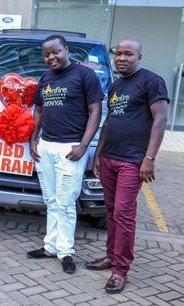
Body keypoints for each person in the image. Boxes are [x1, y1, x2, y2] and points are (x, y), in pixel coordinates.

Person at [85, 39, 168, 294]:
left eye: (128, 54)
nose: (121, 58)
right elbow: (110, 121)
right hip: (109, 158)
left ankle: (120, 270)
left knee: (123, 212)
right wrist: (98, 154)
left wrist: (150, 158)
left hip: (133, 161)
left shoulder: (151, 81)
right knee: (110, 211)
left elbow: (161, 118)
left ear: (139, 56)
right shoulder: (116, 85)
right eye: (118, 53)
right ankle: (111, 256)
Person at [27, 35, 103, 273]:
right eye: (47, 54)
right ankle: (50, 247)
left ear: (66, 50)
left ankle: (66, 252)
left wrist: (84, 145)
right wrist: (33, 138)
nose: (51, 57)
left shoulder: (84, 75)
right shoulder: (46, 77)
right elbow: (39, 109)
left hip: (71, 149)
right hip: (46, 147)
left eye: (56, 52)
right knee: (51, 201)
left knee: (66, 203)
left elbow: (95, 111)